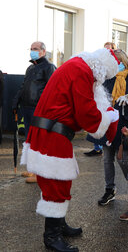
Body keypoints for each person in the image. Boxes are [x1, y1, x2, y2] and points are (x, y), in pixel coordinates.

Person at [20, 48, 120, 252]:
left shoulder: (77, 66)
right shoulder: (82, 71)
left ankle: (59, 223)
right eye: (104, 78)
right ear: (102, 69)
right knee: (56, 184)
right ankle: (52, 237)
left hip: (50, 132)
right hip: (51, 134)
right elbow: (85, 112)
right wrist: (107, 118)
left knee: (59, 182)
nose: (100, 83)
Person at [98, 49, 128, 206]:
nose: (115, 65)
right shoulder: (106, 78)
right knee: (107, 159)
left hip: (125, 124)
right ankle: (109, 189)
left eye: (117, 62)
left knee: (123, 159)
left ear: (124, 62)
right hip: (107, 123)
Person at [12, 41, 56, 183]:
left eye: (35, 49)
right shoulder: (30, 68)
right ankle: (32, 169)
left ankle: (40, 173)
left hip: (39, 109)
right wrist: (16, 101)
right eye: (31, 49)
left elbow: (52, 90)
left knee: (40, 140)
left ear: (43, 51)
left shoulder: (49, 67)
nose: (33, 51)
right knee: (30, 140)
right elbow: (24, 86)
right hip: (27, 108)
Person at [84, 41, 117, 157]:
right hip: (101, 93)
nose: (106, 51)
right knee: (98, 119)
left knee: (107, 121)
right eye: (105, 49)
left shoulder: (114, 66)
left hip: (110, 97)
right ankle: (97, 147)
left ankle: (105, 145)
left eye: (109, 49)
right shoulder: (98, 65)